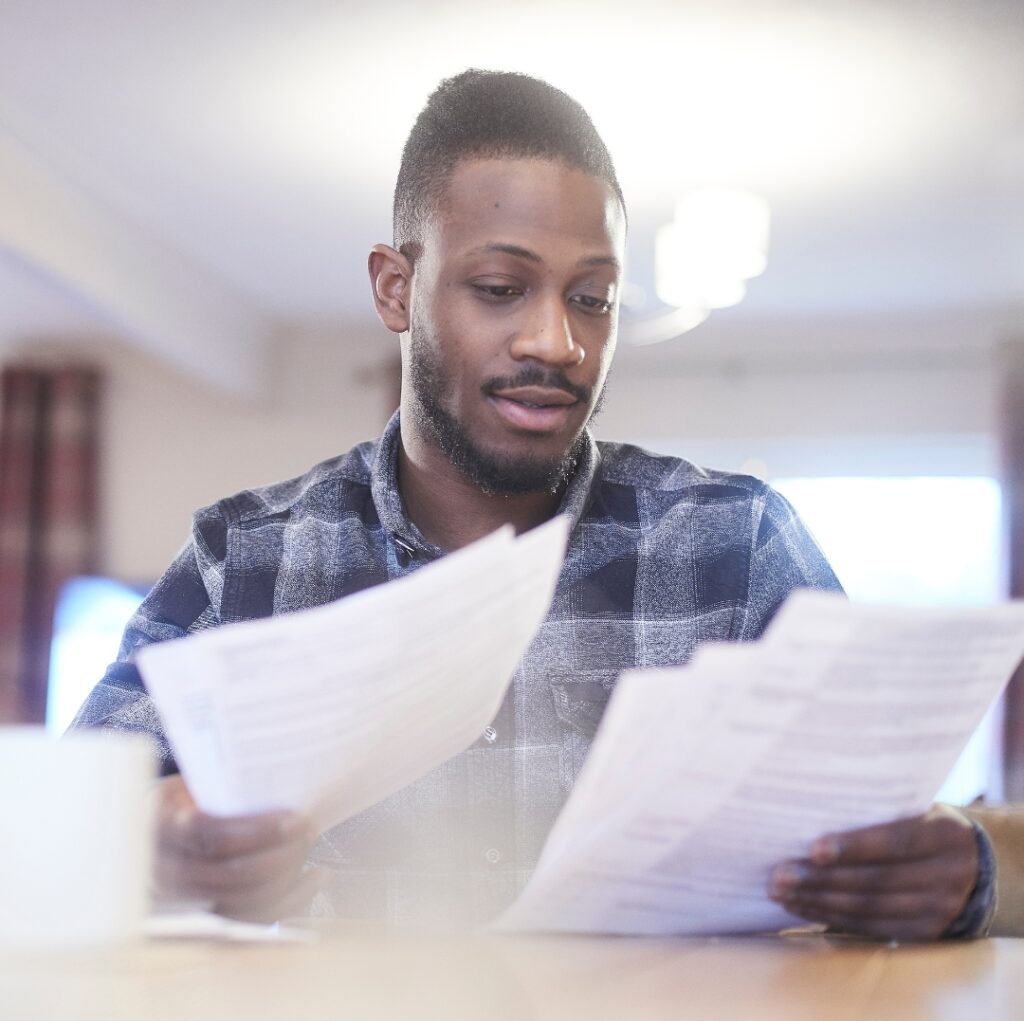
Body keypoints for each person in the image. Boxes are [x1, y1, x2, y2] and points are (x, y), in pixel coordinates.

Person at [74, 69, 996, 940]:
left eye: (592, 299)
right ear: (397, 289)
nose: (558, 343)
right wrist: (158, 858)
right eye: (501, 289)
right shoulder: (245, 558)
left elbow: (897, 837)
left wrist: (955, 869)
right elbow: (64, 839)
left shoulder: (738, 542)